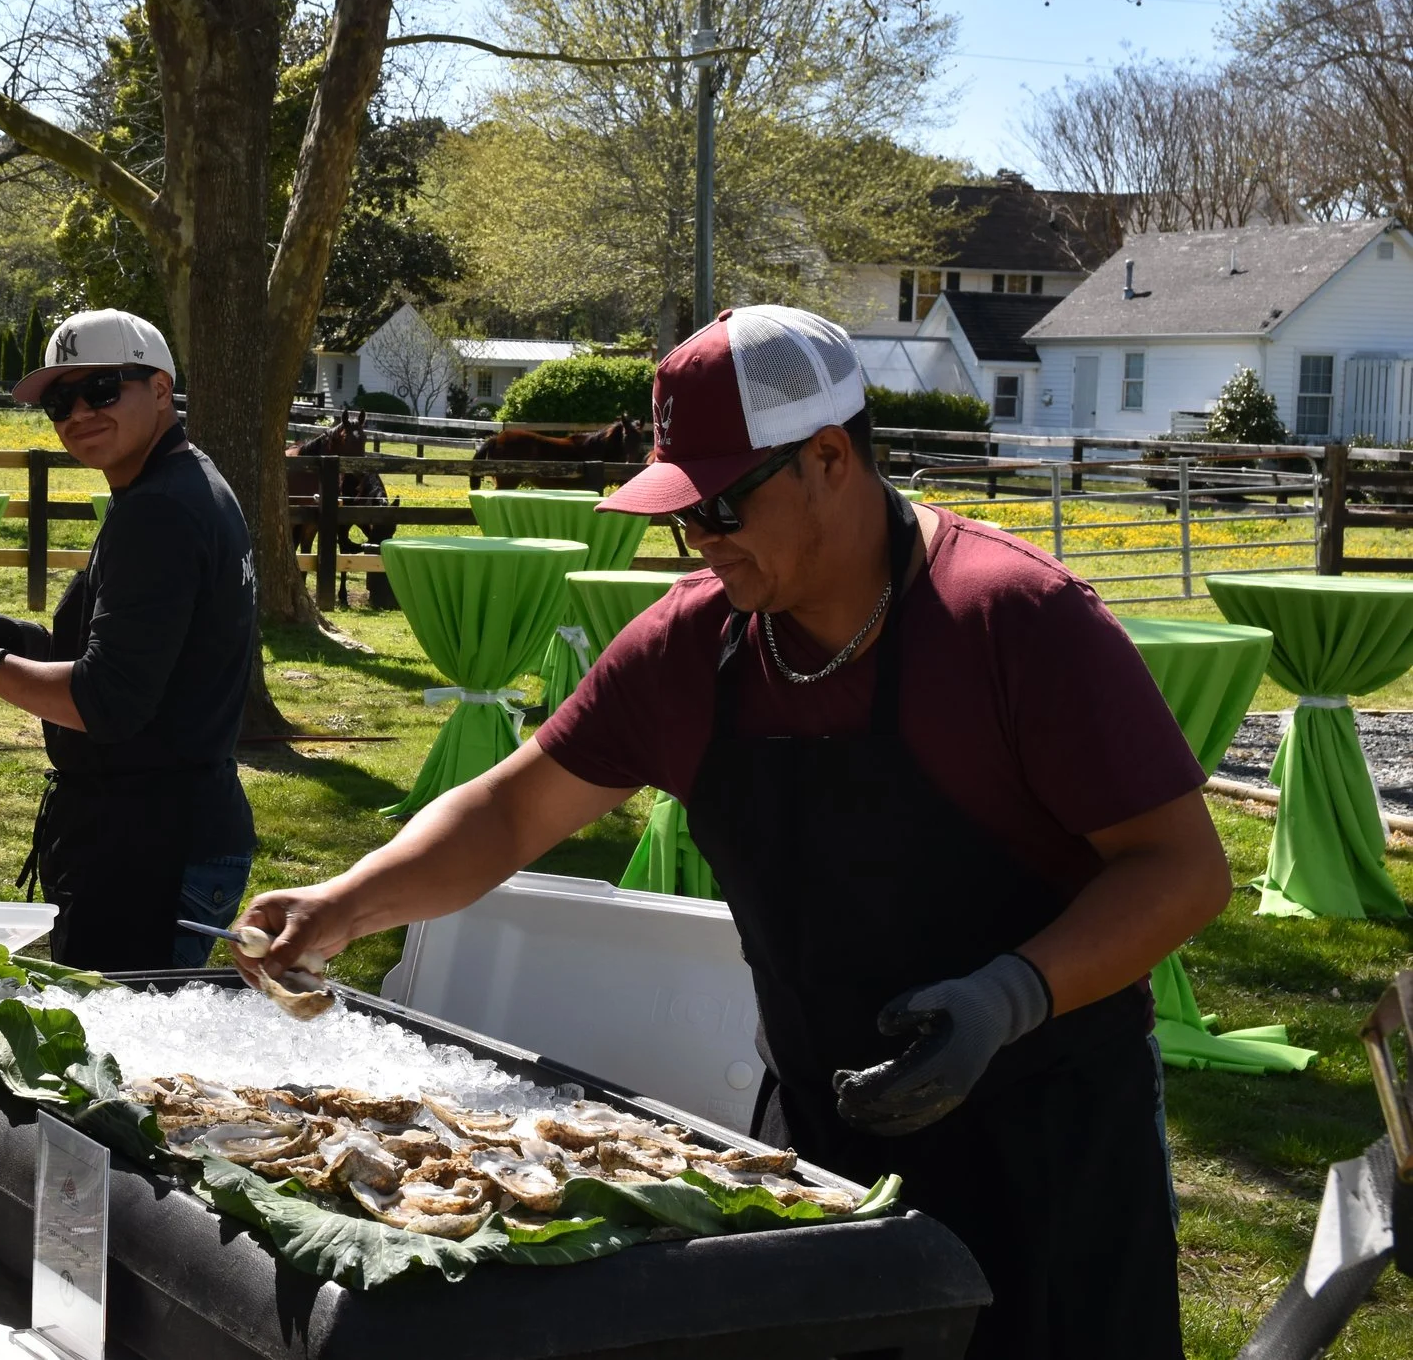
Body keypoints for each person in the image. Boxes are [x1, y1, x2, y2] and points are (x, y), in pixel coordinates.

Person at [235, 306, 1228, 1359]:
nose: (696, 542)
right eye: (679, 514)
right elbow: (514, 808)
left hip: (1053, 1152)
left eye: (717, 506)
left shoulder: (1013, 621)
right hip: (828, 1145)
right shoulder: (686, 645)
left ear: (830, 458)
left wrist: (1006, 994)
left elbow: (1181, 867)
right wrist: (343, 901)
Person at [0, 309, 259, 972]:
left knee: (123, 1065)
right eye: (60, 401)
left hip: (149, 848)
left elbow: (106, 702)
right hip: (165, 830)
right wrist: (25, 641)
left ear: (158, 389)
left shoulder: (158, 508)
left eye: (102, 389)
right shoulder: (180, 484)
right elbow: (150, 656)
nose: (78, 412)